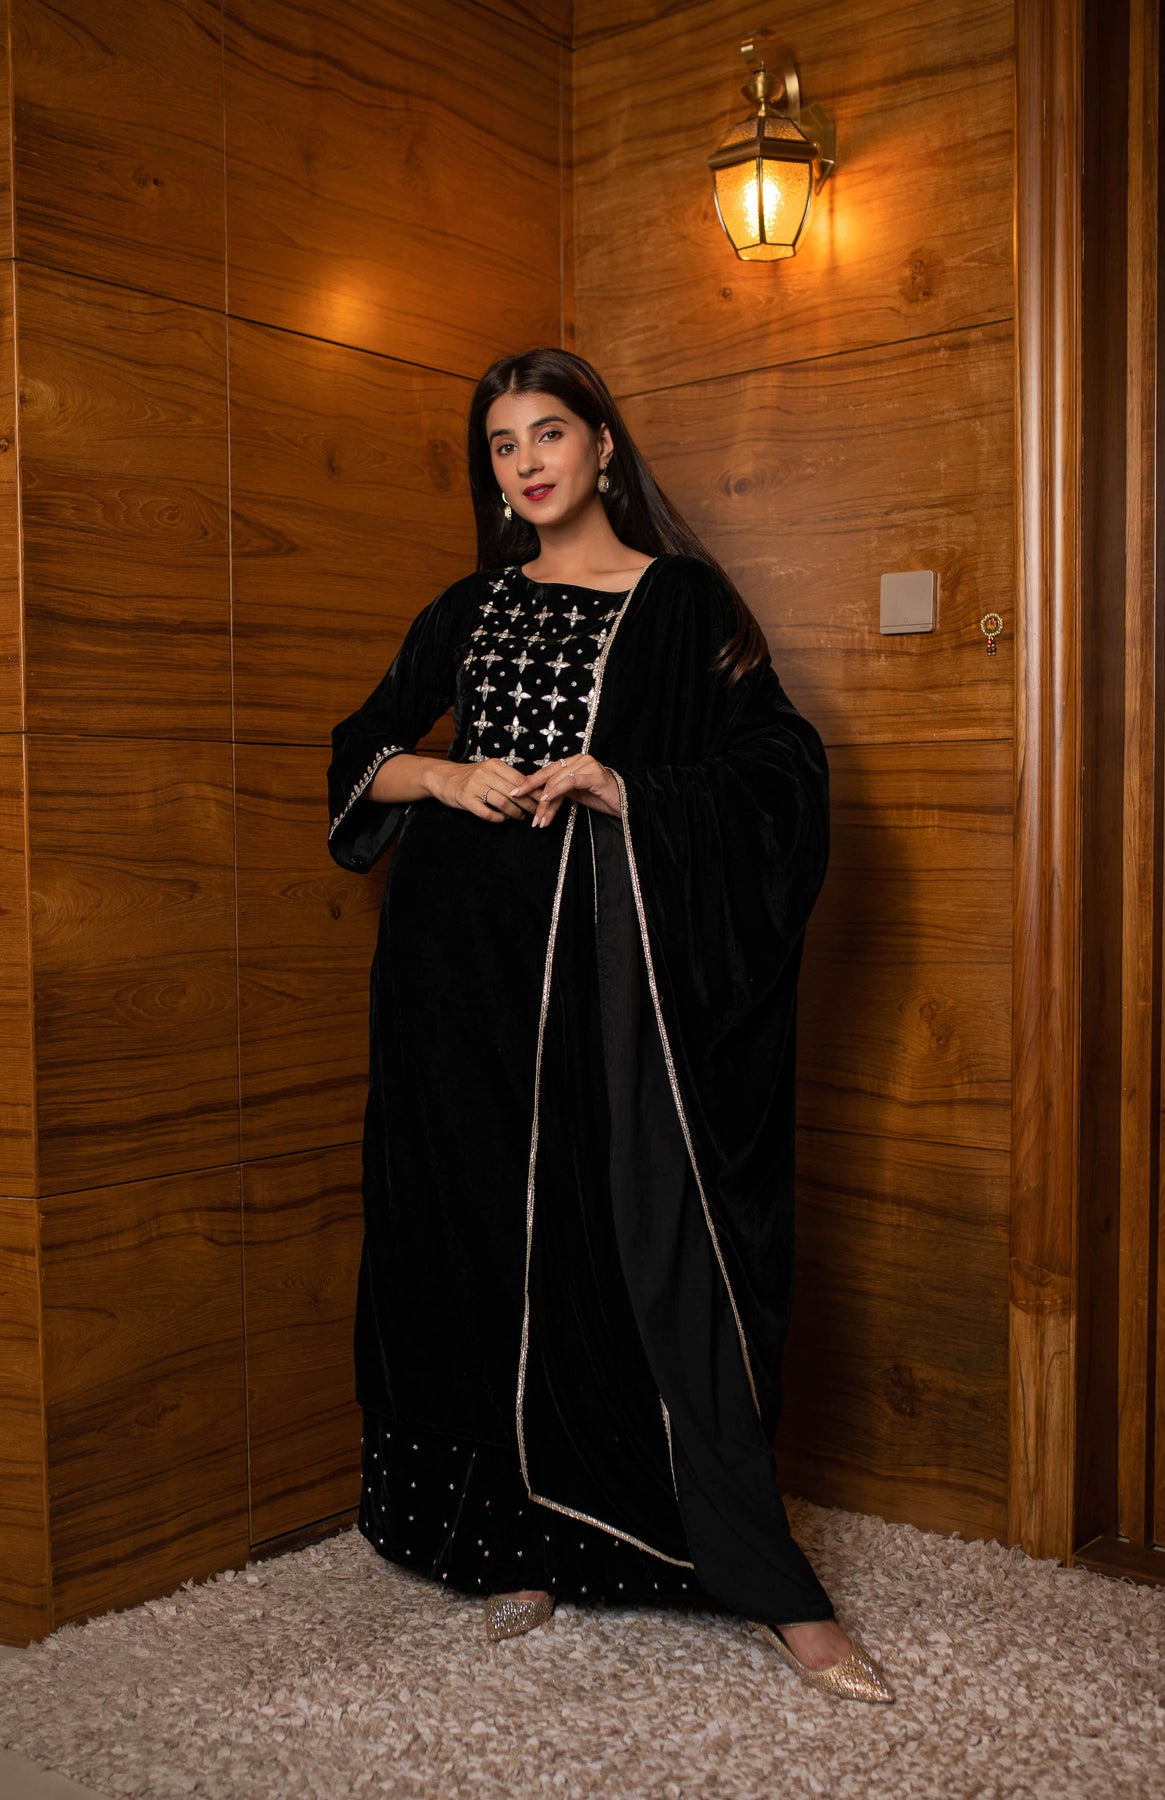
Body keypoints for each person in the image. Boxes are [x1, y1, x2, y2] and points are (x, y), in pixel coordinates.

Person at [327, 348, 892, 1703]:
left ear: (600, 447)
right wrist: (448, 777)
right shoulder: (470, 606)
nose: (526, 463)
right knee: (478, 1239)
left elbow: (780, 770)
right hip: (458, 976)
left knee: (630, 1227)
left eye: (548, 434)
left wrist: (626, 786)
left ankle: (760, 1574)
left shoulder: (680, 601)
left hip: (610, 971)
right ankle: (514, 1536)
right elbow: (360, 753)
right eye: (502, 444)